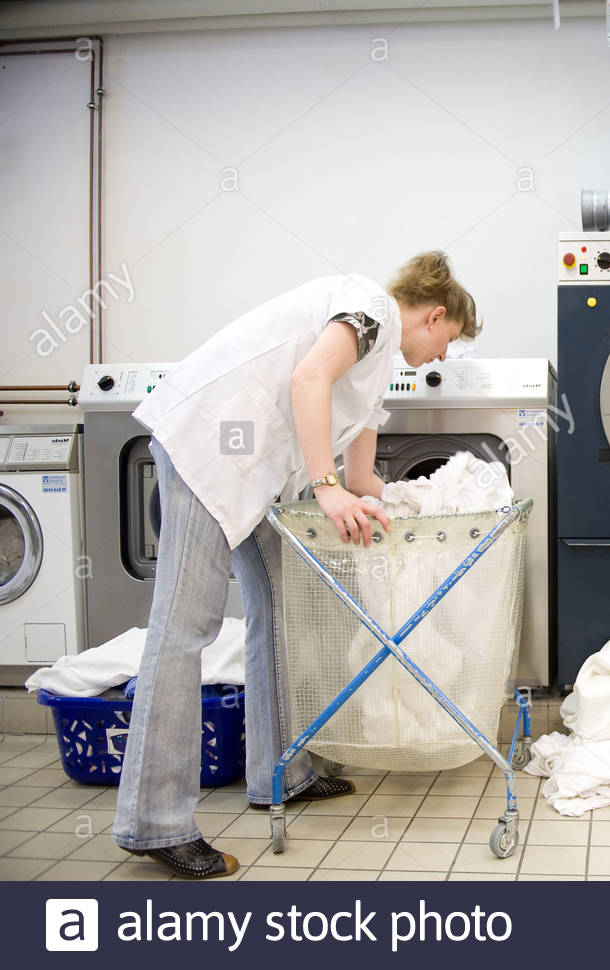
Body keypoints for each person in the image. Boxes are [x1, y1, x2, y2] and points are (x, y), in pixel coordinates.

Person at [112, 252, 480, 878]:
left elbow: (365, 476)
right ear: (435, 315)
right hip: (210, 449)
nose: (444, 355)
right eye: (449, 341)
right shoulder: (367, 309)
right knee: (184, 631)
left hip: (252, 477)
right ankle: (155, 822)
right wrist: (326, 485)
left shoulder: (378, 367)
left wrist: (406, 503)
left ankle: (278, 773)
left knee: (285, 606)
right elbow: (308, 380)